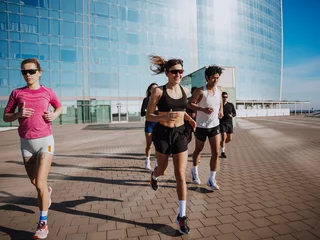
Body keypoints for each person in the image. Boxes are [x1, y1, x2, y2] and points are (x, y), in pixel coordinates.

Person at [3, 58, 62, 239]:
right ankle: (47, 192)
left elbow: (59, 107)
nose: (28, 75)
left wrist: (54, 114)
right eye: (24, 72)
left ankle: (43, 224)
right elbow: (6, 117)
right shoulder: (16, 93)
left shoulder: (47, 92)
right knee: (36, 183)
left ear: (39, 72)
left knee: (41, 183)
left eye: (31, 71)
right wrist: (18, 114)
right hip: (26, 143)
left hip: (45, 140)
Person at [146, 54, 196, 235]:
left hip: (180, 133)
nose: (178, 74)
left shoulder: (184, 90)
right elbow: (148, 115)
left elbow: (182, 110)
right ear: (167, 73)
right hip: (162, 133)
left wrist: (189, 119)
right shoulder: (158, 91)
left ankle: (181, 216)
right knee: (163, 169)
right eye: (175, 72)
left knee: (180, 174)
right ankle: (154, 174)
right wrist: (162, 117)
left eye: (181, 71)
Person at [187, 65, 224, 190]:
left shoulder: (219, 90)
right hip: (201, 126)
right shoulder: (200, 91)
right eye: (213, 78)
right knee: (198, 150)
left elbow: (219, 102)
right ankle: (195, 172)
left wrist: (221, 111)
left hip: (214, 125)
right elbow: (190, 104)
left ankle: (211, 179)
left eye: (217, 78)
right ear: (207, 78)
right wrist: (202, 109)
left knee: (216, 152)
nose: (215, 81)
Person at [140, 83, 158, 170]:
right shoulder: (146, 100)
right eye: (153, 88)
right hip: (149, 124)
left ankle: (157, 163)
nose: (155, 90)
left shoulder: (159, 99)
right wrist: (151, 111)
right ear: (150, 90)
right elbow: (142, 113)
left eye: (156, 88)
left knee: (158, 145)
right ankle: (147, 162)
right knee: (149, 145)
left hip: (158, 124)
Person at [219, 92, 236, 158]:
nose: (225, 98)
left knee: (229, 139)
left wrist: (231, 115)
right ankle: (223, 152)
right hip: (222, 123)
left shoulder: (231, 105)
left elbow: (234, 113)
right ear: (221, 97)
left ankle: (221, 144)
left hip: (229, 123)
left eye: (226, 97)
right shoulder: (219, 105)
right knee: (224, 137)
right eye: (223, 97)